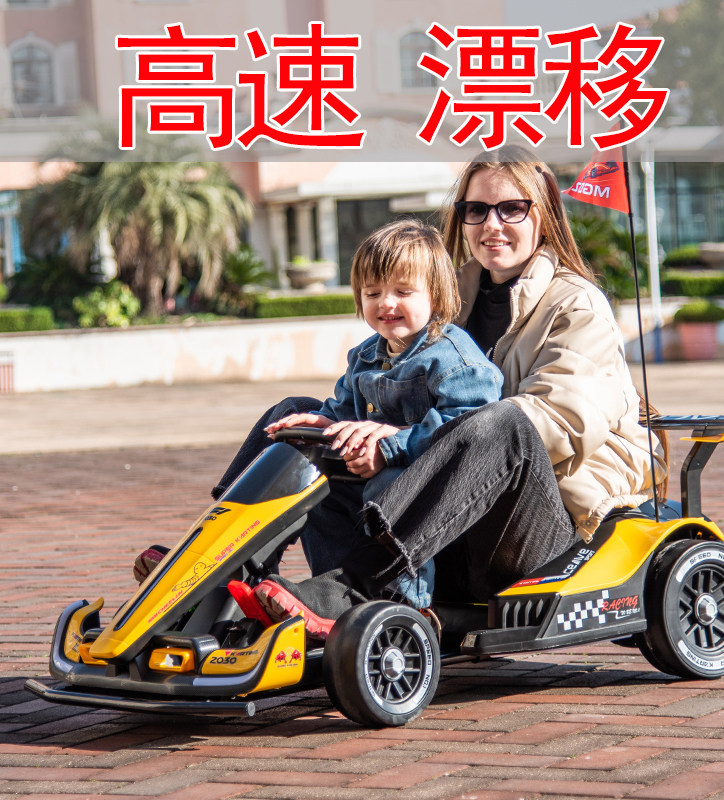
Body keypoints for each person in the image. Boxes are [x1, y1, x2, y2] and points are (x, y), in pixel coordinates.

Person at [242, 146, 669, 640]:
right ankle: (226, 570)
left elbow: (559, 423)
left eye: (512, 208)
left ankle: (355, 589)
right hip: (441, 524)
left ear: (544, 214)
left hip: (542, 528)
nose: (492, 224)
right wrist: (340, 427)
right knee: (299, 418)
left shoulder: (578, 305)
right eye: (476, 209)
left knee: (505, 421)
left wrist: (393, 441)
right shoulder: (444, 296)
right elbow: (391, 391)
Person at [136, 219, 503, 624]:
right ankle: (226, 551)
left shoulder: (453, 357)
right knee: (289, 413)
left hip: (420, 500)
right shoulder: (365, 355)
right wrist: (321, 423)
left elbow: (470, 432)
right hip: (364, 478)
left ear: (436, 294)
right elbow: (345, 411)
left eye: (403, 292)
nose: (386, 303)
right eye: (372, 293)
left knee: (387, 479)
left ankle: (394, 595)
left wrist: (391, 445)